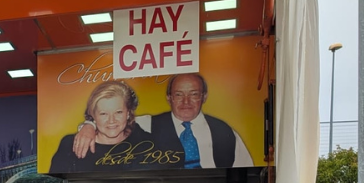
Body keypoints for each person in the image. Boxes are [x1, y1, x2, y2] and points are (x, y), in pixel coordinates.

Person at [71, 73, 253, 169]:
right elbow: (112, 122)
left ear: (204, 97)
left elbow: (246, 169)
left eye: (194, 94)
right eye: (179, 95)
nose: (186, 102)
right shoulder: (148, 124)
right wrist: (89, 125)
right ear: (169, 98)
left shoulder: (225, 132)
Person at [49, 81, 158, 173]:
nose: (111, 120)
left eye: (118, 112)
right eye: (103, 114)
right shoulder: (70, 145)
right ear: (93, 115)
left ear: (128, 113)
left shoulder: (146, 144)